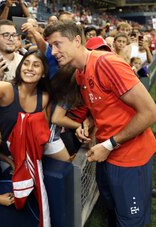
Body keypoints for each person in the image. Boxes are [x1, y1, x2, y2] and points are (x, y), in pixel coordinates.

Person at [44, 21, 156, 227]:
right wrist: (87, 122)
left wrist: (108, 144)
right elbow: (105, 106)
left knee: (130, 220)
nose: (54, 51)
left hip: (130, 157)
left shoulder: (106, 63)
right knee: (113, 211)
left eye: (58, 44)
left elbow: (150, 112)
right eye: (51, 46)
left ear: (77, 40)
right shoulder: (80, 73)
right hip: (108, 154)